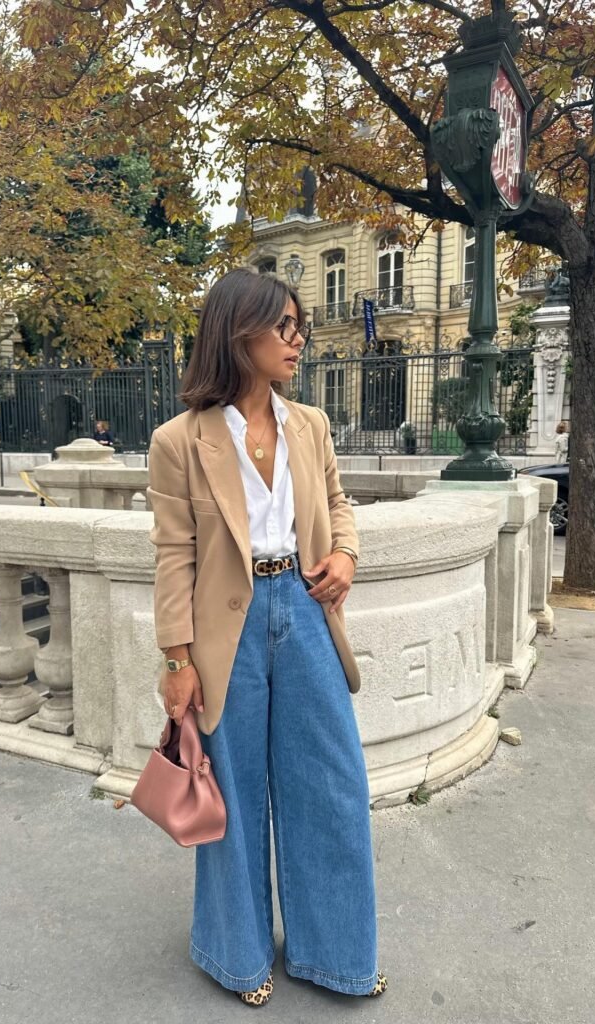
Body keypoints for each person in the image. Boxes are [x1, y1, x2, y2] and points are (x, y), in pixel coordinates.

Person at [146, 267, 386, 1007]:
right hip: (229, 629)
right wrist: (177, 658)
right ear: (236, 332)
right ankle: (238, 956)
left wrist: (345, 554)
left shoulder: (309, 424)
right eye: (282, 326)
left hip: (306, 611)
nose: (297, 339)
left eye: (298, 326)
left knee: (332, 786)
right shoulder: (179, 441)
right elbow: (174, 554)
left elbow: (339, 504)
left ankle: (337, 951)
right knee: (235, 793)